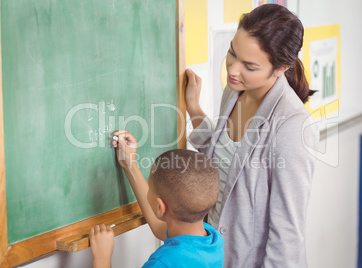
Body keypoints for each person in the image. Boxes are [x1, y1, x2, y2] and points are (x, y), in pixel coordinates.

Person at [186, 4, 319, 268]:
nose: (233, 70)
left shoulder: (292, 127)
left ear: (280, 67)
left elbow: (287, 235)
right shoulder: (235, 91)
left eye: (249, 65)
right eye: (232, 53)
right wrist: (194, 108)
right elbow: (220, 161)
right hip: (212, 254)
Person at [89, 141, 224, 268]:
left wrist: (102, 258)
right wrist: (129, 165)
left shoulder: (163, 263)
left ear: (160, 207)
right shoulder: (212, 240)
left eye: (150, 187)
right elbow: (159, 228)